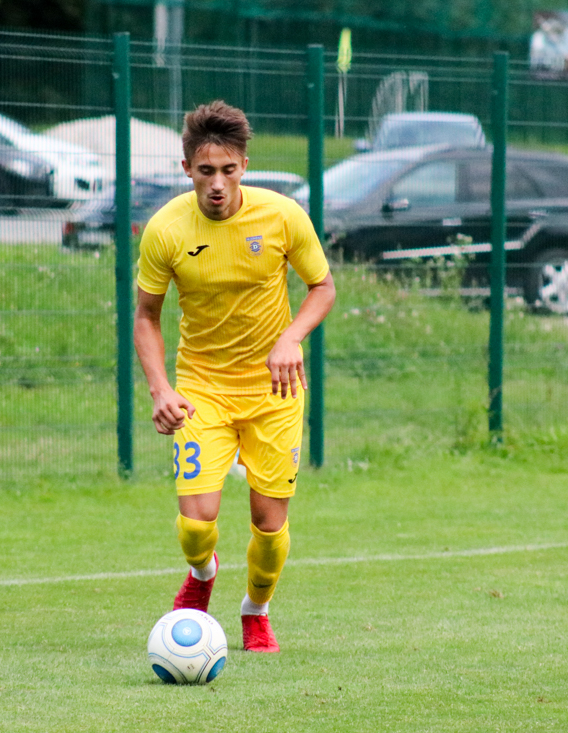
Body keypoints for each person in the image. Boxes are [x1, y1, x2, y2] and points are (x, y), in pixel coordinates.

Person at [134, 100, 336, 653]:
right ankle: (202, 575)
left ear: (245, 165)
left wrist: (290, 338)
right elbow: (146, 316)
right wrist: (160, 389)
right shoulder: (165, 229)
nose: (218, 184)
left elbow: (323, 288)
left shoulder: (283, 216)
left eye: (228, 170)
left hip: (275, 391)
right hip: (202, 389)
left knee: (269, 527)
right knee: (197, 526)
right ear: (187, 169)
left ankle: (255, 611)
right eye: (206, 171)